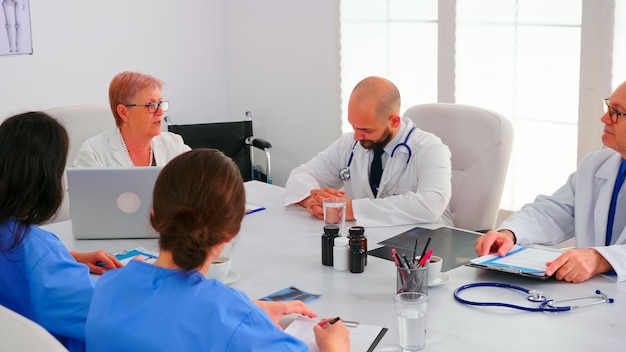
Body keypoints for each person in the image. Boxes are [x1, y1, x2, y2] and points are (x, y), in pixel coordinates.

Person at [86, 149, 350, 352]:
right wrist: (335, 346)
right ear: (231, 232)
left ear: (154, 216)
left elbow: (172, 313)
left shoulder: (108, 285)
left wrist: (246, 311)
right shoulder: (231, 320)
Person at [475, 81, 626, 283]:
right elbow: (555, 211)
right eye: (609, 107)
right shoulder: (597, 164)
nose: (604, 118)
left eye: (617, 112)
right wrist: (510, 233)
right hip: (593, 293)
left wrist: (603, 259)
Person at [0, 111, 122, 352]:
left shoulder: (27, 245)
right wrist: (133, 280)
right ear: (46, 177)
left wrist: (68, 256)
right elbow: (105, 321)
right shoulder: (41, 254)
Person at [285, 76, 453, 227]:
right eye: (353, 126)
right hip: (369, 238)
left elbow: (431, 205)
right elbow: (304, 173)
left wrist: (351, 209)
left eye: (366, 130)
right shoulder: (350, 143)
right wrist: (312, 200)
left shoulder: (431, 149)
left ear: (394, 121)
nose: (357, 136)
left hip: (424, 245)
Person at [73, 71, 190, 167]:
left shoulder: (175, 145)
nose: (160, 112)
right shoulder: (94, 152)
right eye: (151, 105)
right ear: (124, 112)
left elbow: (200, 185)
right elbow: (82, 194)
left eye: (160, 103)